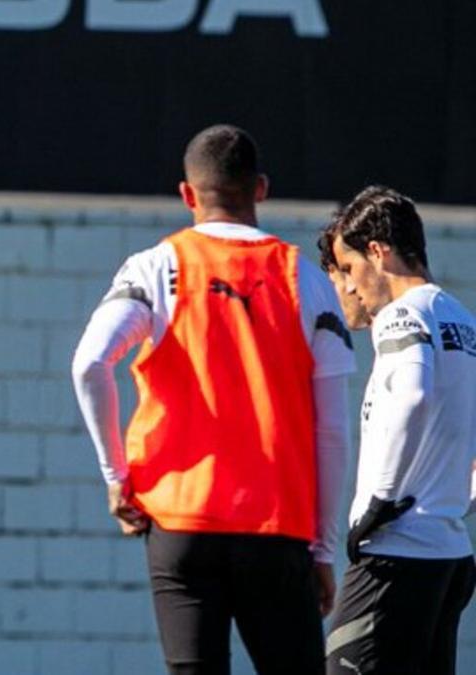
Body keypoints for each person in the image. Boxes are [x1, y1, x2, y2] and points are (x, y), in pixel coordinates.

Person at [71, 124, 356, 674]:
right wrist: (323, 549)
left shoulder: (156, 267)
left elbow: (89, 363)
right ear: (261, 189)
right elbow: (333, 428)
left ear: (187, 194)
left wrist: (116, 475)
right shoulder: (306, 278)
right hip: (276, 527)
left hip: (180, 520)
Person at [324, 186, 476, 675]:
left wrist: (380, 503)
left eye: (349, 269)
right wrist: (463, 497)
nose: (350, 287)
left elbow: (413, 393)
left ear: (378, 251)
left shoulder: (401, 316)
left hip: (397, 553)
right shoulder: (463, 321)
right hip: (451, 556)